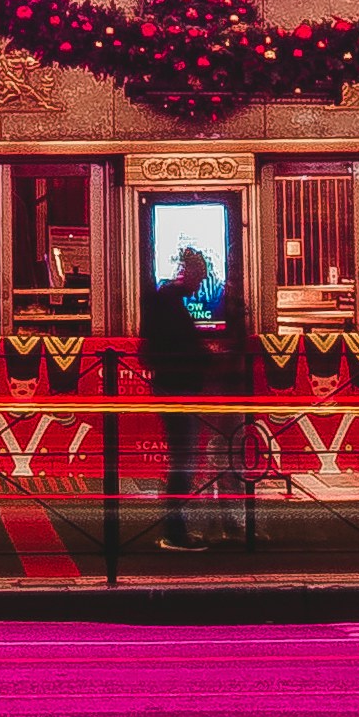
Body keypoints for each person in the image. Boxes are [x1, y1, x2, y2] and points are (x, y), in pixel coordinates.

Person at [139, 233, 223, 555]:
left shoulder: (165, 301)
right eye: (199, 277)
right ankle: (176, 531)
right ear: (187, 273)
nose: (201, 285)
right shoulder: (170, 306)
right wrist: (208, 355)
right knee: (182, 463)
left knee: (182, 461)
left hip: (170, 386)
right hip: (177, 388)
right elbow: (182, 347)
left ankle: (177, 527)